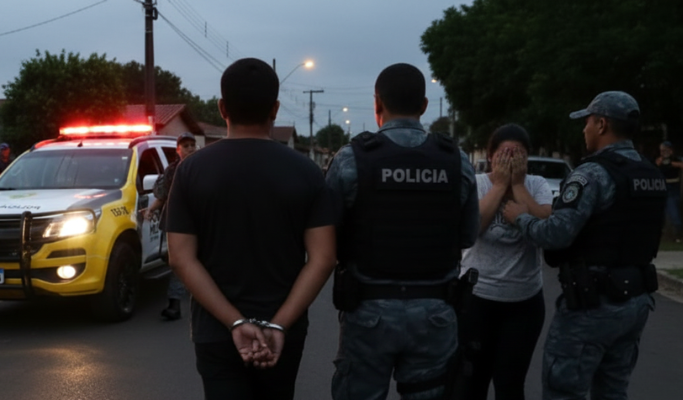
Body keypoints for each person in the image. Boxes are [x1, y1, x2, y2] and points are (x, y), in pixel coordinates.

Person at [166, 58, 336, 400]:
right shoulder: (306, 171)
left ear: (222, 108)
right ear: (275, 109)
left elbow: (181, 258)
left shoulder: (191, 171)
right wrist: (279, 323)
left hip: (216, 329)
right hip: (283, 330)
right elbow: (323, 258)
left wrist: (235, 322)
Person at [326, 63, 479, 400]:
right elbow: (468, 236)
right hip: (436, 312)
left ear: (377, 103)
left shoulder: (352, 159)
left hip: (368, 312)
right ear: (424, 105)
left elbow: (327, 236)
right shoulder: (456, 160)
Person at [502, 91, 665, 399]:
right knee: (613, 390)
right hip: (635, 301)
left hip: (593, 305)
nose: (584, 129)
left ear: (602, 125)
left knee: (563, 390)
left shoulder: (593, 173)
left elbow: (557, 234)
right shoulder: (649, 172)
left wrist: (520, 218)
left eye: (588, 122)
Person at [459, 124, 552, 400]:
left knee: (510, 384)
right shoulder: (478, 184)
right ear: (490, 156)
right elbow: (472, 229)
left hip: (523, 302)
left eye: (518, 155)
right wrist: (500, 186)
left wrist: (518, 186)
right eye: (504, 154)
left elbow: (546, 229)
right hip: (477, 299)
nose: (511, 161)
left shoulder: (537, 184)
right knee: (471, 383)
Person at [142, 132, 197, 321]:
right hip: (177, 222)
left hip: (201, 221)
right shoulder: (172, 171)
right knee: (178, 262)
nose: (190, 149)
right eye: (186, 146)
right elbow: (162, 195)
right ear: (178, 150)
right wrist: (151, 210)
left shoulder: (204, 167)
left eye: (192, 145)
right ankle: (174, 304)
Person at [654, 141, 683, 242]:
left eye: (666, 150)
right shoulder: (659, 159)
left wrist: (671, 163)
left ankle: (678, 234)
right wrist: (661, 160)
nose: (664, 152)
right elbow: (655, 166)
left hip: (673, 187)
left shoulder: (676, 159)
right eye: (662, 150)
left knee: (673, 211)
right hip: (661, 187)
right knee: (661, 211)